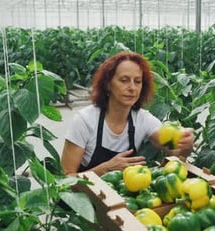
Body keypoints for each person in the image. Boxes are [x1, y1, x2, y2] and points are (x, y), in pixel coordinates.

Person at [61, 52, 194, 177]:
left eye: (137, 81)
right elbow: (66, 177)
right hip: (84, 198)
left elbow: (173, 152)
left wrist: (185, 145)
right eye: (124, 80)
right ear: (107, 84)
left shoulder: (142, 119)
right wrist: (104, 169)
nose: (132, 88)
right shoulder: (85, 121)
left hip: (121, 197)